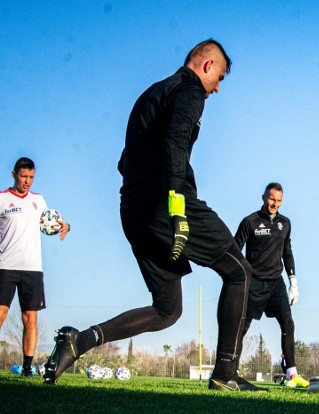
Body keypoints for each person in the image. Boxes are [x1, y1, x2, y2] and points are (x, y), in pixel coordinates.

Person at [43, 39, 266, 392]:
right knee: (239, 271)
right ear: (207, 66)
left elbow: (124, 160)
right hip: (167, 204)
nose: (218, 88)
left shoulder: (152, 93)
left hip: (133, 207)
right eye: (219, 77)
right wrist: (177, 208)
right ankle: (225, 372)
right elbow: (175, 144)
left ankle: (79, 342)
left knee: (167, 310)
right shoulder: (189, 90)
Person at [0, 157, 71, 377]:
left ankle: (28, 367)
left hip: (33, 268)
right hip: (5, 266)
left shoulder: (38, 200)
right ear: (14, 175)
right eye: (23, 176)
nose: (27, 181)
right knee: (1, 313)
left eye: (31, 177)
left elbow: (50, 221)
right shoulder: (2, 199)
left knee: (30, 318)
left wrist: (66, 225)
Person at [234, 182, 304, 385]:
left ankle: (291, 373)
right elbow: (235, 249)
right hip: (253, 282)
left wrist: (293, 281)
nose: (275, 204)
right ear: (264, 197)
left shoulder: (285, 223)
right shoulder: (250, 222)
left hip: (276, 283)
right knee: (241, 327)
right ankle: (231, 369)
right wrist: (238, 278)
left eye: (279, 201)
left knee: (288, 323)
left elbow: (287, 252)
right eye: (272, 199)